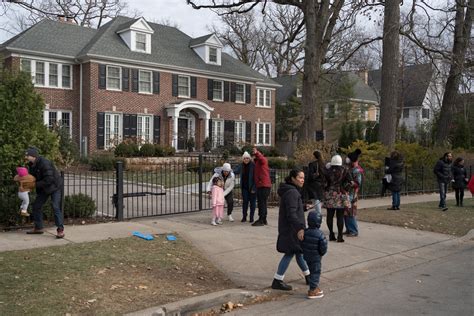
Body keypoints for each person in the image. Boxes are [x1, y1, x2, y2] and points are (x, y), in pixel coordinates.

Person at [271, 169, 311, 291]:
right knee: (290, 253)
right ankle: (277, 280)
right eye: (300, 177)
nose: (302, 180)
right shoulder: (292, 192)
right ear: (293, 178)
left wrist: (303, 207)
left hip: (291, 227)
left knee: (299, 252)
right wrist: (300, 228)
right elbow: (291, 214)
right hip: (292, 229)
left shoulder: (290, 191)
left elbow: (292, 209)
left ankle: (309, 276)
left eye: (303, 177)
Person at [24, 147, 65, 238]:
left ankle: (60, 230)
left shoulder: (44, 163)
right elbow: (33, 177)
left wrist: (34, 185)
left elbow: (49, 179)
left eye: (27, 155)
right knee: (36, 206)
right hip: (44, 188)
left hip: (54, 187)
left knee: (55, 206)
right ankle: (38, 228)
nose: (26, 157)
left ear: (33, 156)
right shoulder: (31, 164)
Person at [324, 154, 352, 243]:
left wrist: (326, 189)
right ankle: (340, 236)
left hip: (330, 194)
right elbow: (350, 182)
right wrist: (345, 189)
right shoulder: (345, 170)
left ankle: (331, 234)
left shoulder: (328, 171)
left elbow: (324, 183)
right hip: (340, 194)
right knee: (340, 216)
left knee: (330, 215)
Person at [302, 211, 328, 299]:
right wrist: (321, 253)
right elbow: (323, 247)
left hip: (307, 256)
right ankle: (312, 290)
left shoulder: (305, 232)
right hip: (316, 257)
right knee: (315, 272)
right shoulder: (320, 234)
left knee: (312, 270)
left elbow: (302, 243)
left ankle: (314, 286)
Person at [233, 151, 256, 222]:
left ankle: (251, 217)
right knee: (245, 202)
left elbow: (256, 178)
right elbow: (235, 171)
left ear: (249, 159)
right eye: (245, 158)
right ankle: (244, 217)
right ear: (243, 159)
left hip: (252, 187)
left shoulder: (253, 165)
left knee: (252, 203)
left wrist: (254, 188)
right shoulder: (241, 165)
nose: (246, 159)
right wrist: (228, 170)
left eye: (247, 158)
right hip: (244, 188)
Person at [344, 149, 363, 236]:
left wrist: (350, 183)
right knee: (346, 212)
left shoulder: (357, 170)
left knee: (351, 213)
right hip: (348, 194)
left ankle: (354, 231)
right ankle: (348, 229)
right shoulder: (351, 169)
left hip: (353, 194)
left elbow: (358, 183)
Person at [251, 147, 272, 227]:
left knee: (261, 203)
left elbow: (261, 159)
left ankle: (261, 220)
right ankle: (264, 219)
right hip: (262, 185)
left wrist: (257, 153)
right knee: (263, 203)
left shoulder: (263, 160)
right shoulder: (258, 162)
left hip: (264, 185)